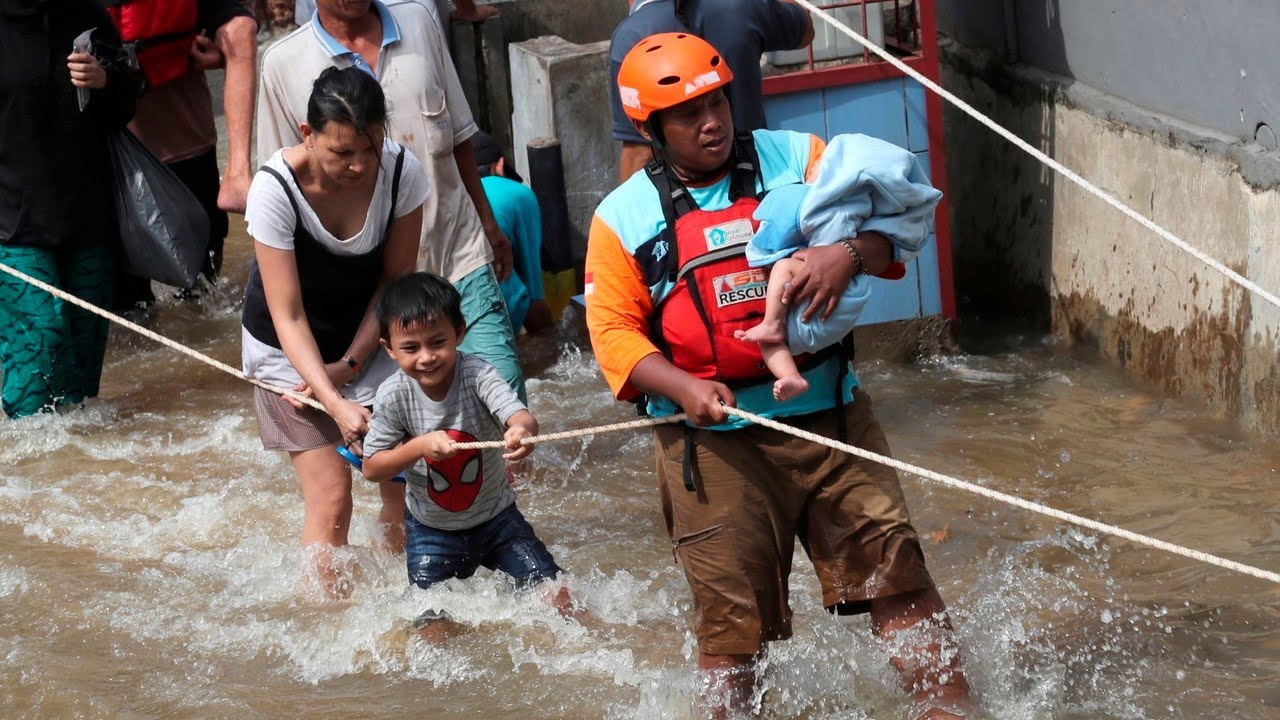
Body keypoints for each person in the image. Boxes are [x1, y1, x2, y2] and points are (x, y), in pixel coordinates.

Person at [585, 34, 972, 719]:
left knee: (900, 581)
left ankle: (951, 710)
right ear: (652, 128)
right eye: (688, 113)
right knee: (731, 636)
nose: (711, 121)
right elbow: (613, 334)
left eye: (717, 102)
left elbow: (904, 218)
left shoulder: (799, 158)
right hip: (713, 445)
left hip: (833, 419)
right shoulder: (621, 219)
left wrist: (849, 254)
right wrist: (683, 387)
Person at [258, 0, 526, 405]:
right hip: (374, 293)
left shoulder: (418, 20)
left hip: (455, 254)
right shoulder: (283, 64)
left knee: (505, 406)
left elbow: (457, 135)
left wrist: (488, 224)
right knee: (409, 433)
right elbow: (287, 193)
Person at [241, 66, 426, 597]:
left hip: (369, 335)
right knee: (333, 494)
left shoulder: (401, 173)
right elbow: (288, 315)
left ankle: (410, 596)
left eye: (369, 149)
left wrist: (350, 364)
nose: (359, 165)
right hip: (286, 348)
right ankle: (332, 624)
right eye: (342, 152)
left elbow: (395, 281)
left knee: (403, 482)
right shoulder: (274, 189)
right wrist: (334, 399)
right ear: (307, 134)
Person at [362, 272, 572, 629]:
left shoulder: (477, 374)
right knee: (433, 628)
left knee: (558, 599)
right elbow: (372, 467)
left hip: (499, 520)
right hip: (431, 532)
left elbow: (519, 415)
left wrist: (522, 431)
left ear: (459, 333)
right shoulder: (393, 395)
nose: (427, 357)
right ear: (389, 349)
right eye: (411, 348)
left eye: (437, 342)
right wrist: (419, 446)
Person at [0, 0, 139, 419]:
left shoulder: (88, 15)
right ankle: (30, 477)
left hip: (89, 218)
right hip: (12, 224)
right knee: (38, 349)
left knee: (78, 381)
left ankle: (76, 476)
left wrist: (106, 80)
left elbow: (128, 101)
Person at [733, 134, 943, 402]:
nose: (814, 172)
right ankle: (792, 376)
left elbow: (782, 221)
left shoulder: (826, 200)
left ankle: (772, 324)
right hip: (843, 305)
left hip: (830, 299)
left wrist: (845, 256)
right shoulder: (860, 209)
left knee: (783, 269)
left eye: (821, 168)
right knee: (772, 340)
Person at [107, 0, 259, 311]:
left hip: (188, 145)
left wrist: (226, 53)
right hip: (114, 159)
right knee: (130, 306)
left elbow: (238, 26)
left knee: (203, 293)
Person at [609, 0, 814, 181]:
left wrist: (631, 218)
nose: (712, 123)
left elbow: (639, 152)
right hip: (759, 177)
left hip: (684, 196)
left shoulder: (632, 34)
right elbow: (806, 31)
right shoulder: (745, 5)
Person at [472, 131, 553, 336]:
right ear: (499, 165)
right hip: (494, 312)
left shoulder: (452, 193)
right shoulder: (519, 193)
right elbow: (533, 290)